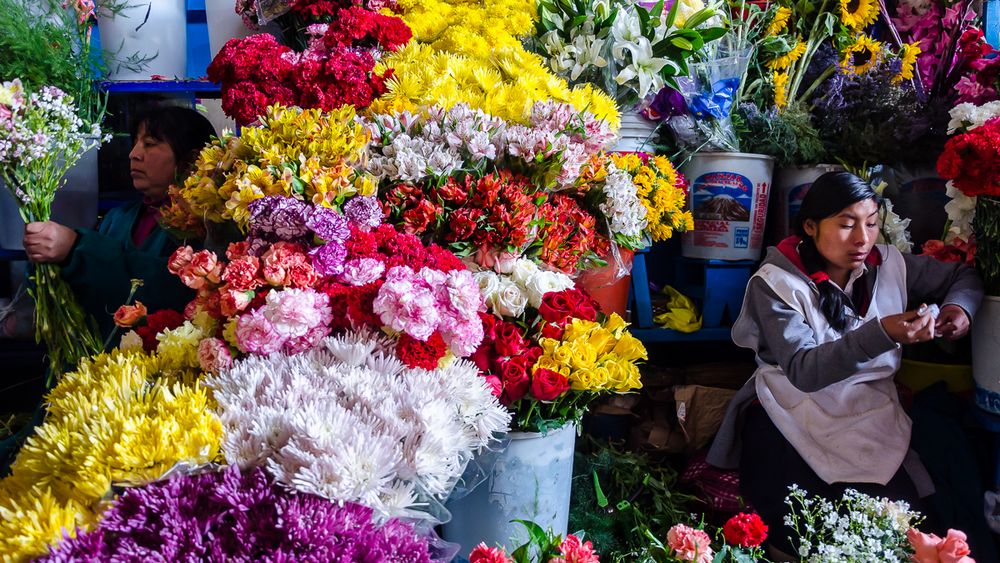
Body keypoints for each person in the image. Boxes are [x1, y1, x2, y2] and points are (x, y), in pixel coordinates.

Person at [707, 172, 983, 558]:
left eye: (871, 224)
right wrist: (882, 332)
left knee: (912, 512)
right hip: (795, 407)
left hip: (869, 406)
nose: (861, 239)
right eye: (846, 224)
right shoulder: (775, 283)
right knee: (804, 519)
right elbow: (804, 370)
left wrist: (958, 309)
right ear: (810, 226)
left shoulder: (890, 264)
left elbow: (963, 275)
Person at [19, 105, 216, 340]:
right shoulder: (118, 218)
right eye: (135, 142)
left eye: (150, 144)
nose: (134, 154)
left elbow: (164, 290)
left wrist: (76, 248)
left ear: (192, 160)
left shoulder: (203, 227)